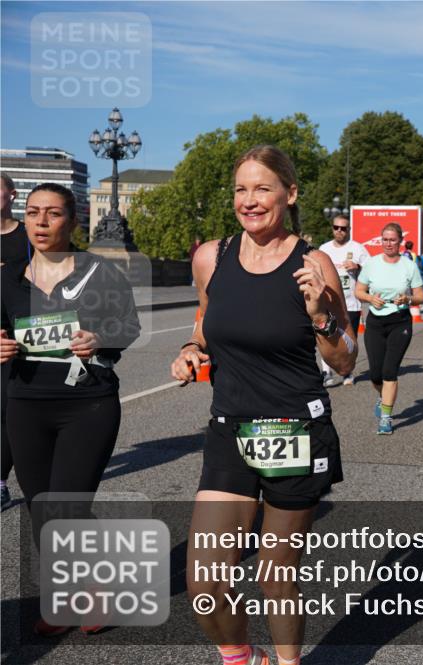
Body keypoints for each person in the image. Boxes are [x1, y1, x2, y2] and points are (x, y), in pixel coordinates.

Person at [171, 146, 356, 665]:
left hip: (295, 430)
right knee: (204, 580)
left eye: (262, 188)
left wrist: (320, 314)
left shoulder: (314, 264)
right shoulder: (213, 256)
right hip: (230, 428)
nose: (249, 201)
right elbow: (205, 321)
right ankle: (241, 656)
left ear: (290, 194)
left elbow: (345, 362)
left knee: (276, 574)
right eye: (240, 189)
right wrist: (191, 350)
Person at [1, 183, 141, 635]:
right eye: (34, 213)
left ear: (73, 221)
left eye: (53, 214)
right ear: (24, 220)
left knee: (69, 505)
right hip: (25, 403)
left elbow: (128, 325)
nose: (41, 222)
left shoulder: (100, 272)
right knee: (42, 508)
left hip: (88, 403)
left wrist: (98, 339)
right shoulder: (8, 277)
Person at [356, 223, 423, 434]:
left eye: (392, 240)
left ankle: (386, 418)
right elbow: (359, 290)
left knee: (389, 371)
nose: (388, 244)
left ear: (399, 242)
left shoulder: (409, 265)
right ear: (381, 240)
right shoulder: (371, 264)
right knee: (375, 375)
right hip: (375, 323)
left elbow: (422, 296)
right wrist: (370, 298)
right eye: (385, 239)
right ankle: (382, 397)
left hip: (400, 321)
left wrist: (408, 298)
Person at [0, 173, 28, 510]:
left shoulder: (28, 236)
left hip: (15, 334)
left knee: (5, 410)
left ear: (12, 195)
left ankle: (2, 480)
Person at [318, 213, 369, 387]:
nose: (339, 231)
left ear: (349, 230)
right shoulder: (324, 249)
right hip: (328, 302)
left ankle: (347, 372)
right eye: (336, 227)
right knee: (327, 337)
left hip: (351, 304)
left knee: (349, 342)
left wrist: (358, 266)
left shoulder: (358, 248)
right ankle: (326, 372)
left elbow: (371, 270)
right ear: (332, 229)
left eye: (343, 228)